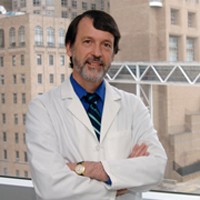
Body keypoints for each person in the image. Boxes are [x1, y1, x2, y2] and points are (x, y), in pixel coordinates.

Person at [26, 10, 167, 200]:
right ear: (69, 48)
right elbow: (51, 187)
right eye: (87, 42)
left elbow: (156, 167)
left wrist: (88, 169)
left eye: (106, 45)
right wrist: (120, 181)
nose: (97, 53)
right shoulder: (42, 109)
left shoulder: (133, 106)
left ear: (113, 54)